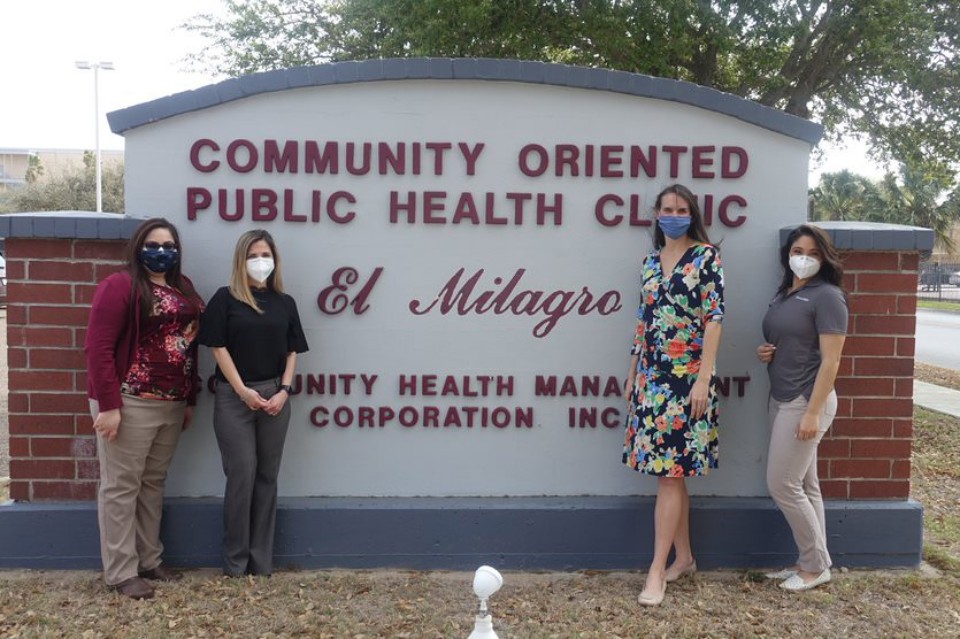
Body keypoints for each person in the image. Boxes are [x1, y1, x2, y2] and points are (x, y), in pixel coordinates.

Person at [85, 218, 204, 599]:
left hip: (172, 403)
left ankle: (150, 559)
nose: (161, 251)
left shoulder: (183, 288)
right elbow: (98, 347)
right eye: (153, 244)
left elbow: (190, 345)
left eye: (169, 245)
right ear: (138, 247)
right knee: (121, 487)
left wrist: (190, 398)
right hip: (129, 401)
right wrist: (108, 405)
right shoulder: (119, 286)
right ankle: (121, 570)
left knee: (152, 484)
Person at [622, 184, 725, 606]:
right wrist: (631, 373)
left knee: (669, 475)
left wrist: (704, 379)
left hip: (687, 380)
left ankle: (655, 573)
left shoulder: (705, 257)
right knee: (672, 473)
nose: (674, 214)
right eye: (667, 208)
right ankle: (683, 558)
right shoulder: (648, 263)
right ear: (657, 214)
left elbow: (715, 319)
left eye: (682, 209)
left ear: (692, 214)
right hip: (651, 377)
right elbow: (643, 323)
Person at [198, 229, 309, 577]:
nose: (260, 262)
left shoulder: (285, 302)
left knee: (267, 476)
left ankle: (261, 562)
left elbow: (293, 350)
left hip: (275, 397)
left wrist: (284, 391)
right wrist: (243, 391)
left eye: (266, 255)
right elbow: (218, 347)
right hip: (235, 399)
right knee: (241, 473)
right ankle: (236, 562)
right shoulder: (225, 299)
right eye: (253, 256)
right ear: (241, 260)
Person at [757, 224, 847, 592]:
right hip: (781, 397)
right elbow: (788, 341)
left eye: (813, 253)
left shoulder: (828, 297)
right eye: (798, 251)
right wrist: (767, 353)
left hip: (806, 400)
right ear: (788, 254)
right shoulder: (786, 294)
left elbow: (831, 361)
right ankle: (810, 561)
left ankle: (815, 566)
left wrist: (813, 411)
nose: (804, 258)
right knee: (807, 485)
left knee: (782, 484)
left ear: (823, 258)